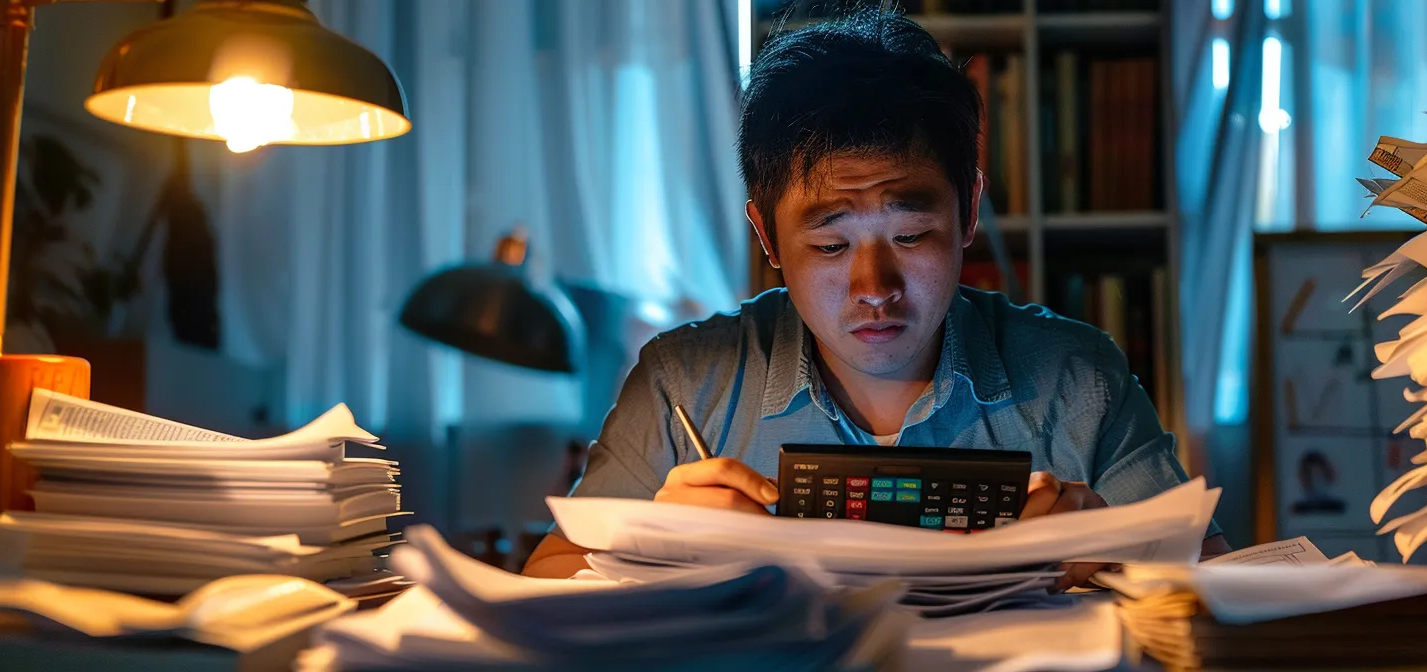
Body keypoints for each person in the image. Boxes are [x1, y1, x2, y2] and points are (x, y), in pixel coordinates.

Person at [523, 8, 1227, 586]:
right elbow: (544, 582)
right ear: (767, 236)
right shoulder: (686, 382)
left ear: (969, 210)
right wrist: (646, 550)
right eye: (830, 246)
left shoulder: (1075, 379)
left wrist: (1118, 551)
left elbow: (1215, 583)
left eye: (913, 235)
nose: (875, 290)